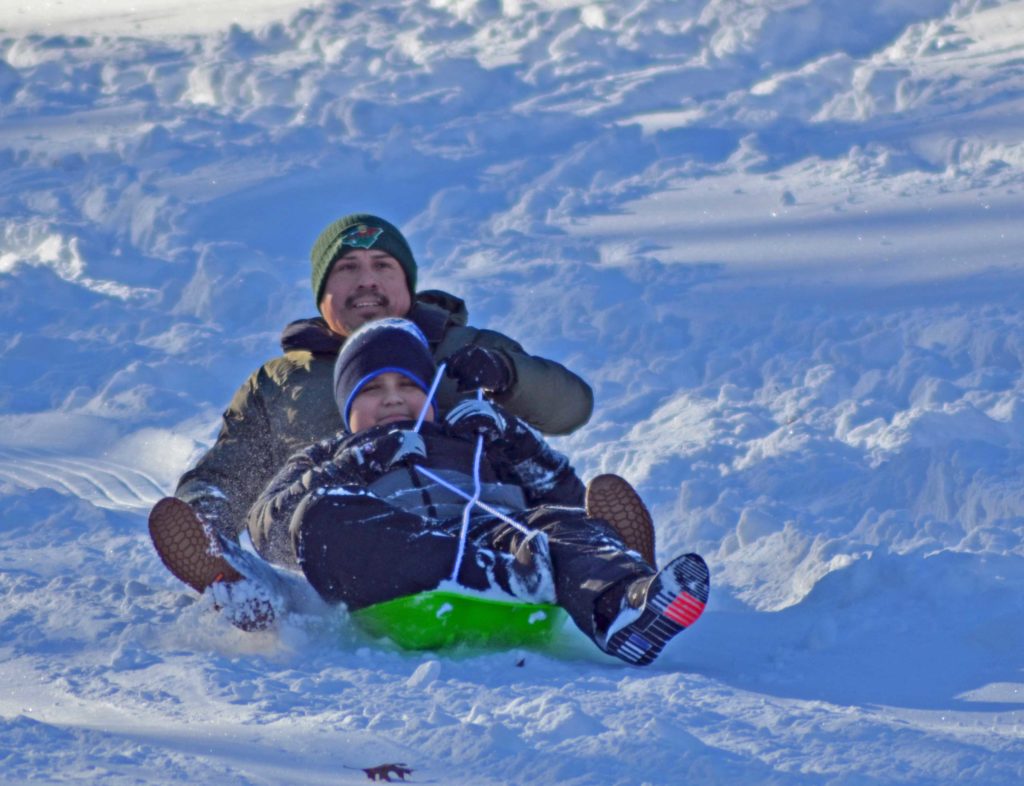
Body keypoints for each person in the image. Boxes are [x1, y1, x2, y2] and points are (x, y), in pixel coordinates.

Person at [237, 318, 707, 666]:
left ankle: (625, 604)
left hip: (500, 541)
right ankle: (506, 576)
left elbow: (563, 495)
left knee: (560, 526)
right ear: (346, 407)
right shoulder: (329, 454)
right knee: (323, 517)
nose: (394, 398)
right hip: (403, 567)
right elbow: (268, 527)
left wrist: (513, 438)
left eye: (408, 385)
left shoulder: (471, 437)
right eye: (372, 388)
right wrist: (354, 462)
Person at [172, 213, 594, 544]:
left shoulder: (464, 347)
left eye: (383, 265)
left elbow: (570, 410)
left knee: (551, 519)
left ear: (407, 281)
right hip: (346, 545)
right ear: (322, 295)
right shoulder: (283, 382)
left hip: (479, 522)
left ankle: (611, 570)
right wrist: (207, 523)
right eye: (347, 268)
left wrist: (509, 375)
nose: (367, 280)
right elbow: (228, 472)